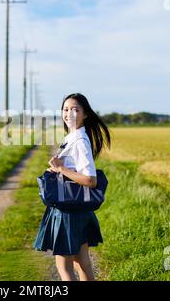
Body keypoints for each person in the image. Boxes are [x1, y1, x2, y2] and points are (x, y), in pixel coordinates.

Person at [33, 93, 111, 281]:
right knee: (81, 262)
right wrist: (58, 170)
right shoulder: (73, 138)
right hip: (76, 211)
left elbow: (90, 180)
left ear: (85, 114)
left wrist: (61, 168)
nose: (69, 113)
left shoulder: (80, 141)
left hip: (68, 213)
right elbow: (74, 170)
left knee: (65, 266)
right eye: (66, 109)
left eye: (75, 109)